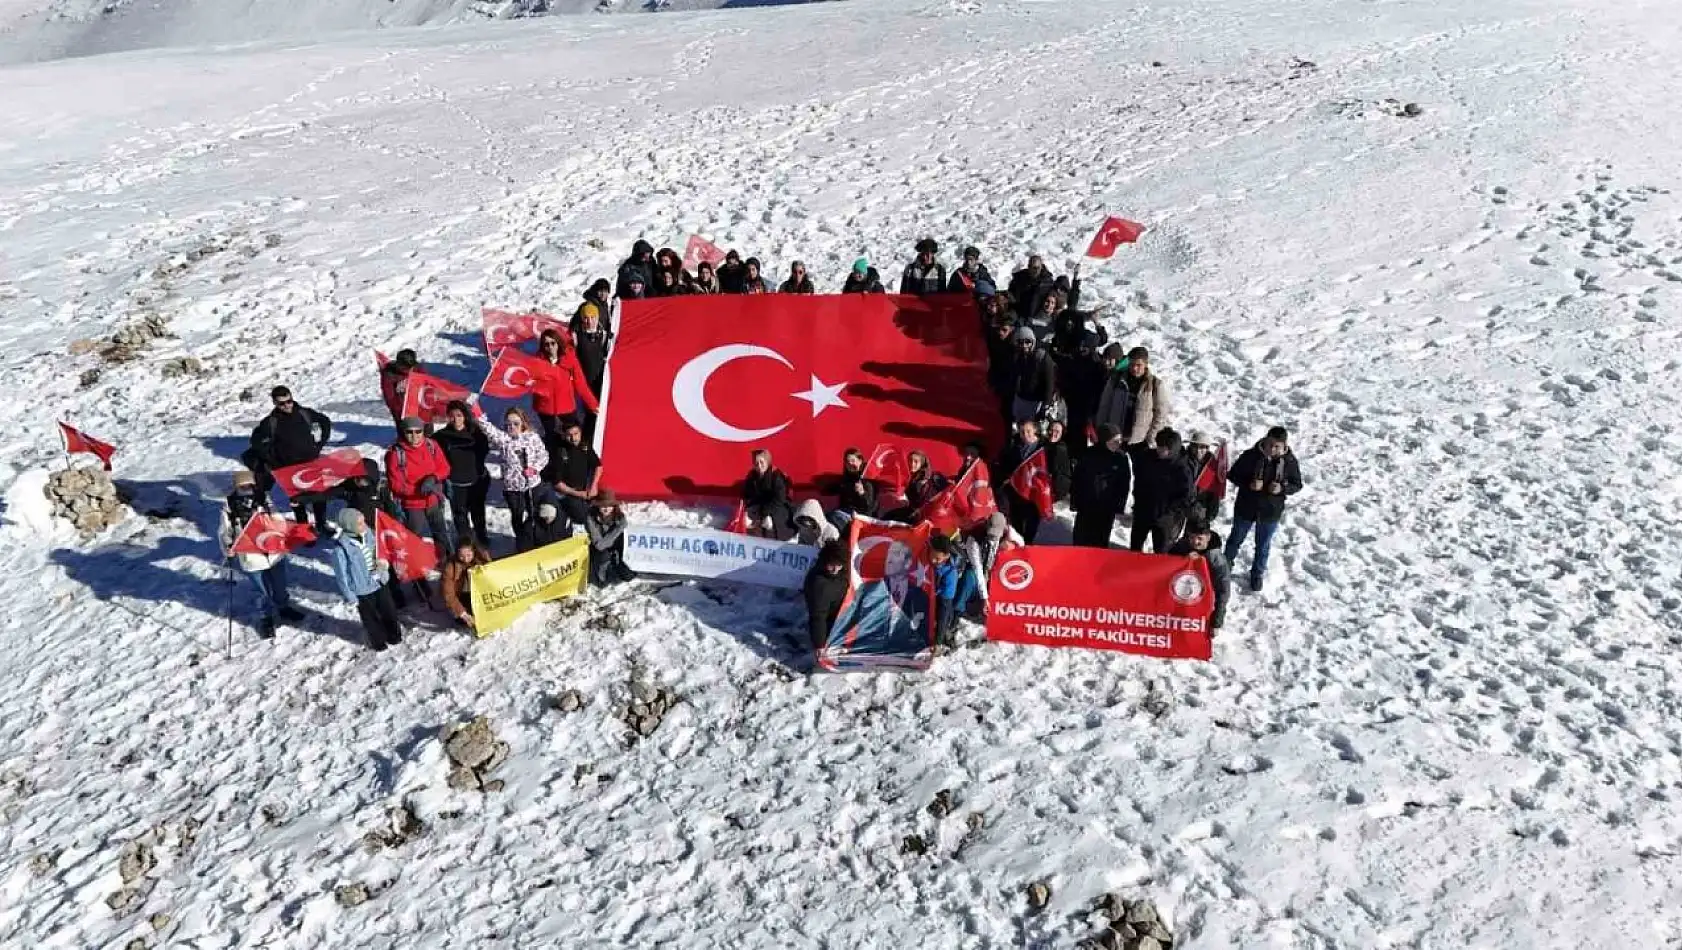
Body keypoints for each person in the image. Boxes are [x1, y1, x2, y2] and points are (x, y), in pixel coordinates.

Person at [218, 469, 303, 639]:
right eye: (242, 486)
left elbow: (278, 519)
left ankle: (283, 607)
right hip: (251, 557)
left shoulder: (264, 499)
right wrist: (228, 547)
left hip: (273, 552)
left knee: (280, 585)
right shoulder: (229, 506)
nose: (247, 489)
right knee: (261, 591)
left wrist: (274, 517)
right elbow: (224, 531)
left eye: (249, 485)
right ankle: (265, 618)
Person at [1224, 426, 1304, 592]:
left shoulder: (1289, 462)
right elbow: (1232, 475)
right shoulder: (1250, 456)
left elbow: (1297, 484)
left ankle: (1257, 573)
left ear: (1284, 446)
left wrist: (1282, 488)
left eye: (1277, 447)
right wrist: (1248, 483)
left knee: (1263, 546)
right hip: (1246, 506)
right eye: (1270, 445)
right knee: (1235, 539)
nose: (1272, 449)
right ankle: (1225, 566)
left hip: (1270, 511)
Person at [245, 385, 333, 534]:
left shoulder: (305, 413)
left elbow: (325, 421)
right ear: (274, 403)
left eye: (289, 401)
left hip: (311, 462)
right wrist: (273, 460)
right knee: (298, 502)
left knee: (319, 497)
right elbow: (256, 443)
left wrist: (320, 443)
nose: (287, 406)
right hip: (288, 468)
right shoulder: (270, 423)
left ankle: (321, 524)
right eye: (282, 403)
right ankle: (303, 530)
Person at [472, 404, 550, 550]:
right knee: (517, 515)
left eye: (515, 424)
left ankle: (537, 538)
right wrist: (478, 413)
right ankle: (522, 541)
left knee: (534, 513)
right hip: (512, 487)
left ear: (523, 423)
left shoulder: (532, 437)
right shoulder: (504, 440)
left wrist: (535, 468)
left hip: (532, 484)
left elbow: (544, 456)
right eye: (508, 424)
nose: (511, 427)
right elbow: (489, 429)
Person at [327, 508, 404, 652]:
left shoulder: (370, 535)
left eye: (363, 522)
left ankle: (394, 635)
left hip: (379, 581)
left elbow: (380, 552)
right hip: (361, 589)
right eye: (360, 523)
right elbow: (341, 576)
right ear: (350, 526)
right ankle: (378, 641)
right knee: (371, 618)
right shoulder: (341, 549)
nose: (364, 525)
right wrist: (350, 595)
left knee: (389, 610)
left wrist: (383, 566)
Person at [385, 415, 454, 564]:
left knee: (440, 532)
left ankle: (445, 560)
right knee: (414, 535)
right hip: (412, 504)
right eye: (409, 432)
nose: (414, 436)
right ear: (403, 433)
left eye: (418, 431)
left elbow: (445, 467)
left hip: (433, 499)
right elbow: (395, 484)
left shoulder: (432, 446)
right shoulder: (395, 454)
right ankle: (417, 564)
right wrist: (418, 491)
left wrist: (433, 478)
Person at [432, 401, 491, 548]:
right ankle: (466, 543)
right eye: (452, 416)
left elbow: (484, 451)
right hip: (455, 484)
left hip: (476, 482)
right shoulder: (441, 436)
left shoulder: (476, 433)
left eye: (459, 415)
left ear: (465, 416)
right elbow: (432, 453)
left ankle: (482, 537)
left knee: (478, 513)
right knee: (460, 515)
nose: (456, 419)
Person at [1094, 345, 1171, 453]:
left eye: (1139, 365)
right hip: (1114, 437)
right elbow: (1104, 405)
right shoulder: (1116, 379)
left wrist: (1151, 437)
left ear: (1146, 364)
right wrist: (1101, 430)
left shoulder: (1155, 385)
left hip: (1138, 442)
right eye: (1132, 364)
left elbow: (1161, 414)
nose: (1135, 368)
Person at [1130, 427, 1194, 553]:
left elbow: (1186, 496)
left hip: (1164, 518)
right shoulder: (1148, 458)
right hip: (1142, 512)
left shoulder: (1182, 468)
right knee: (1135, 547)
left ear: (1172, 449)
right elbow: (1138, 479)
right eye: (1158, 446)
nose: (1159, 451)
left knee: (1161, 551)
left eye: (1163, 449)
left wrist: (1169, 511)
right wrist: (1138, 499)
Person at [532, 328, 600, 444]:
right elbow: (529, 382)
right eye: (546, 344)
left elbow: (581, 385)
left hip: (566, 406)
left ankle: (577, 457)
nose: (550, 347)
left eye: (553, 343)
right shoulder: (537, 362)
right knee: (551, 437)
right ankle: (555, 459)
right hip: (545, 408)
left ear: (558, 343)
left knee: (574, 435)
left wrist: (593, 405)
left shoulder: (569, 360)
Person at [1070, 425, 1130, 548]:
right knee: (1081, 539)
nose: (1118, 443)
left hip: (1106, 508)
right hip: (1086, 506)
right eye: (1114, 440)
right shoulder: (1088, 454)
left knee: (1100, 541)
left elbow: (1124, 484)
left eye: (1120, 440)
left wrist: (1119, 504)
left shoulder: (1121, 458)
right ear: (1104, 440)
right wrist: (1075, 501)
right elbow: (1077, 480)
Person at [1169, 517, 1230, 632]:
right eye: (1191, 537)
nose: (1195, 542)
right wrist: (1183, 558)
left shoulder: (1216, 559)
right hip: (1181, 594)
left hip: (1202, 600)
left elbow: (1223, 591)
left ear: (1208, 537)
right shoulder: (1184, 544)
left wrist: (1216, 622)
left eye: (1200, 539)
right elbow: (1167, 562)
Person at [1055, 331, 1108, 458]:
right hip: (1071, 405)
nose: (1082, 349)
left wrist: (1092, 411)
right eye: (1081, 346)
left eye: (1086, 347)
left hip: (1088, 409)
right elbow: (1064, 379)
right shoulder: (1072, 359)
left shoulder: (1097, 365)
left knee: (1083, 439)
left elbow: (1099, 389)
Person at [997, 418, 1046, 543]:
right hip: (1017, 493)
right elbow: (1004, 467)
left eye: (1028, 431)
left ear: (1035, 430)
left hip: (1035, 493)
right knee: (1017, 525)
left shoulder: (1043, 448)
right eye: (1022, 432)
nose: (1025, 435)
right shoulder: (1014, 448)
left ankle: (1028, 545)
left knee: (1031, 524)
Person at [549, 417, 601, 526]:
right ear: (563, 435)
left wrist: (594, 485)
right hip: (567, 493)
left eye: (576, 434)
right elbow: (557, 484)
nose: (573, 438)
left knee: (603, 508)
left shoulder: (584, 445)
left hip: (584, 490)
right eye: (569, 435)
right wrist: (578, 494)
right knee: (582, 518)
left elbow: (598, 466)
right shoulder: (559, 452)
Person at [570, 304, 612, 435]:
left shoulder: (603, 334)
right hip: (584, 379)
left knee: (601, 409)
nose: (589, 321)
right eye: (586, 318)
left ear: (597, 317)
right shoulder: (576, 335)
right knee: (589, 411)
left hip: (600, 378)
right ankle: (588, 437)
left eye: (592, 317)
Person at [803, 540, 849, 649]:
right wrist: (820, 646)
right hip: (831, 624)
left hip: (842, 614)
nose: (835, 569)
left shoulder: (842, 572)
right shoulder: (818, 584)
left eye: (839, 565)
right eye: (831, 565)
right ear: (825, 561)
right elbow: (818, 617)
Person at [1007, 327, 1057, 423]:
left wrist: (1046, 405)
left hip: (1036, 402)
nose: (1024, 345)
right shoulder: (1016, 356)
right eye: (1020, 342)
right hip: (1020, 399)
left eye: (1027, 342)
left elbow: (1050, 383)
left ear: (1033, 341)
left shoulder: (1042, 358)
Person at [742, 449, 795, 540]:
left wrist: (767, 513)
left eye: (761, 462)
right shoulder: (752, 476)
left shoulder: (777, 475)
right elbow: (748, 495)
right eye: (756, 463)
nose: (759, 465)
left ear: (767, 462)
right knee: (746, 521)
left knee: (771, 522)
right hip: (761, 506)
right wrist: (748, 510)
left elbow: (780, 499)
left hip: (779, 506)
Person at [586, 489, 636, 586]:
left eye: (609, 506)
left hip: (616, 549)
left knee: (627, 576)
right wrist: (616, 531)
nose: (606, 509)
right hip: (598, 552)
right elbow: (599, 545)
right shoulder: (590, 518)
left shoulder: (620, 518)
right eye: (603, 506)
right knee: (601, 581)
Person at [441, 540, 490, 631]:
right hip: (461, 593)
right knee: (467, 620)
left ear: (474, 552)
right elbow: (448, 593)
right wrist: (462, 613)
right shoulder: (450, 567)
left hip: (480, 591)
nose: (466, 559)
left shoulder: (482, 558)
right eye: (461, 556)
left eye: (468, 555)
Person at [1185, 430, 1225, 524]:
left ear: (1208, 448)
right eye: (1195, 446)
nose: (1199, 450)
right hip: (1179, 505)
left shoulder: (1213, 464)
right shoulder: (1182, 459)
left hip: (1199, 507)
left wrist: (1211, 513)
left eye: (1203, 447)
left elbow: (1215, 490)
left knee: (1193, 537)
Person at [832, 447, 878, 528]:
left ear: (860, 461)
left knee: (834, 516)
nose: (850, 464)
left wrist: (862, 493)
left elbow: (870, 507)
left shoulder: (868, 479)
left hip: (862, 518)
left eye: (853, 461)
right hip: (845, 513)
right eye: (847, 462)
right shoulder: (846, 479)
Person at [1008, 254, 1058, 323]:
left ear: (1041, 267)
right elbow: (1011, 297)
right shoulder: (1018, 279)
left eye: (1038, 268)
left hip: (1039, 318)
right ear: (1028, 267)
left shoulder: (1048, 282)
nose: (1036, 270)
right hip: (1020, 317)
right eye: (1033, 267)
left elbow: (1054, 299)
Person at [379, 349, 419, 427]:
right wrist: (400, 411)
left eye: (411, 366)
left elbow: (427, 383)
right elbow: (390, 397)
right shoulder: (389, 374)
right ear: (399, 365)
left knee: (426, 430)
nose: (409, 369)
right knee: (406, 430)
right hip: (401, 409)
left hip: (418, 406)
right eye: (406, 367)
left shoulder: (417, 369)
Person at [1042, 419, 1073, 503]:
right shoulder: (1044, 445)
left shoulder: (1060, 448)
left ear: (1062, 434)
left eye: (1057, 431)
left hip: (1057, 488)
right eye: (1051, 430)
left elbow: (1053, 470)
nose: (1053, 433)